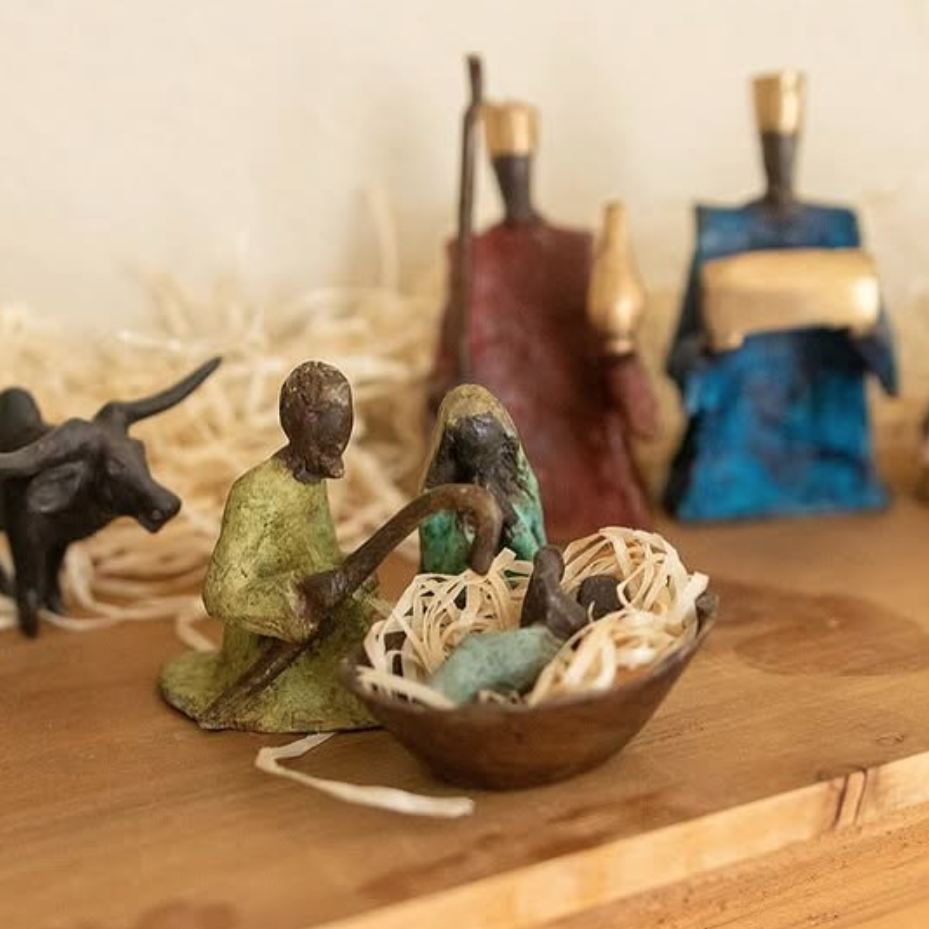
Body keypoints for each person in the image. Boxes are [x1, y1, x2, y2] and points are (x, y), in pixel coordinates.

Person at [160, 361, 376, 733]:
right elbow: (221, 594)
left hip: (323, 642)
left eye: (340, 445)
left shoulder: (313, 480)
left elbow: (319, 554)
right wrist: (287, 603)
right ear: (299, 427)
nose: (336, 463)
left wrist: (348, 575)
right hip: (266, 651)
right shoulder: (255, 493)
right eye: (327, 447)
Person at [419, 384, 545, 574]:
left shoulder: (523, 496)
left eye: (487, 459)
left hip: (516, 588)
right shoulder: (438, 508)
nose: (479, 477)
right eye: (470, 457)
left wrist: (510, 518)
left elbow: (537, 559)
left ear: (503, 448)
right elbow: (436, 568)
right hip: (457, 591)